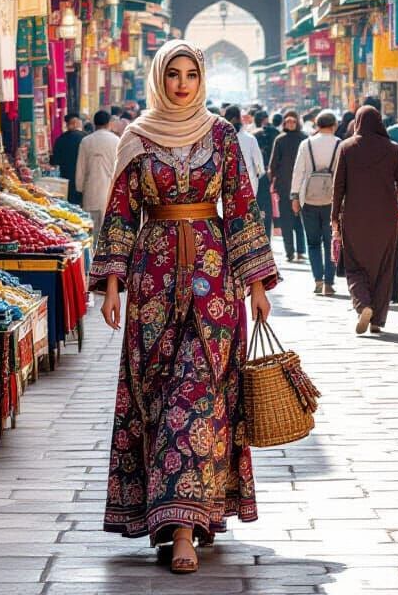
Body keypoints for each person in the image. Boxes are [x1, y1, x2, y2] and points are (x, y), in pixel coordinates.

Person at [91, 41, 277, 574]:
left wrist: (257, 283)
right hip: (152, 285)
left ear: (202, 79)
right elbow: (122, 215)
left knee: (198, 397)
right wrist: (111, 285)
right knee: (156, 397)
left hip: (213, 286)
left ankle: (183, 531)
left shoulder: (220, 135)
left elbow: (241, 208)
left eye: (191, 73)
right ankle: (179, 515)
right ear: (159, 78)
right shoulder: (137, 137)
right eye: (172, 74)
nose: (181, 83)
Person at [332, 107, 398, 335]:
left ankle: (363, 304)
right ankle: (377, 320)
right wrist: (391, 191)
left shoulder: (347, 148)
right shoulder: (393, 149)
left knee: (354, 264)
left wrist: (334, 217)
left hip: (355, 216)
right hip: (386, 216)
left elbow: (339, 187)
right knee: (384, 267)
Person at [290, 110, 341, 295]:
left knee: (312, 242)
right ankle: (329, 282)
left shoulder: (306, 144)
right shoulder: (339, 144)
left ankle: (318, 279)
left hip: (308, 198)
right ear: (334, 125)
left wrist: (294, 196)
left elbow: (298, 172)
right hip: (332, 200)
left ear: (317, 125)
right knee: (330, 242)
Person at [74, 109, 120, 242]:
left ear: (94, 123)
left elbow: (81, 168)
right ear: (109, 123)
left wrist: (79, 188)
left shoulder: (86, 141)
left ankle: (93, 260)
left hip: (91, 191)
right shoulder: (116, 141)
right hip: (110, 194)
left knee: (92, 232)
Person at [269, 111, 307, 263]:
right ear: (284, 123)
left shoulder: (304, 138)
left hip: (301, 186)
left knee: (299, 220)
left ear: (297, 122)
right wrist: (273, 182)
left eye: (293, 121)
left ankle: (300, 251)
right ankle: (289, 251)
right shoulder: (280, 139)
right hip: (284, 186)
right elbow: (273, 163)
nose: (290, 124)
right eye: (288, 122)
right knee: (286, 221)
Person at [224, 105, 265, 190]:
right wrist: (258, 174)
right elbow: (258, 164)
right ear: (239, 119)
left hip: (227, 186)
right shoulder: (250, 139)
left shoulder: (219, 138)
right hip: (247, 185)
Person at [253, 110, 279, 238]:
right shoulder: (275, 133)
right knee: (269, 208)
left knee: (258, 208)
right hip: (272, 176)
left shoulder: (253, 136)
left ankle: (259, 236)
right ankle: (267, 236)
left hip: (258, 176)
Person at [50, 112, 85, 205]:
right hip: (83, 179)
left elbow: (54, 161)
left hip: (66, 179)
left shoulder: (60, 139)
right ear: (76, 123)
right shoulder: (85, 138)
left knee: (69, 205)